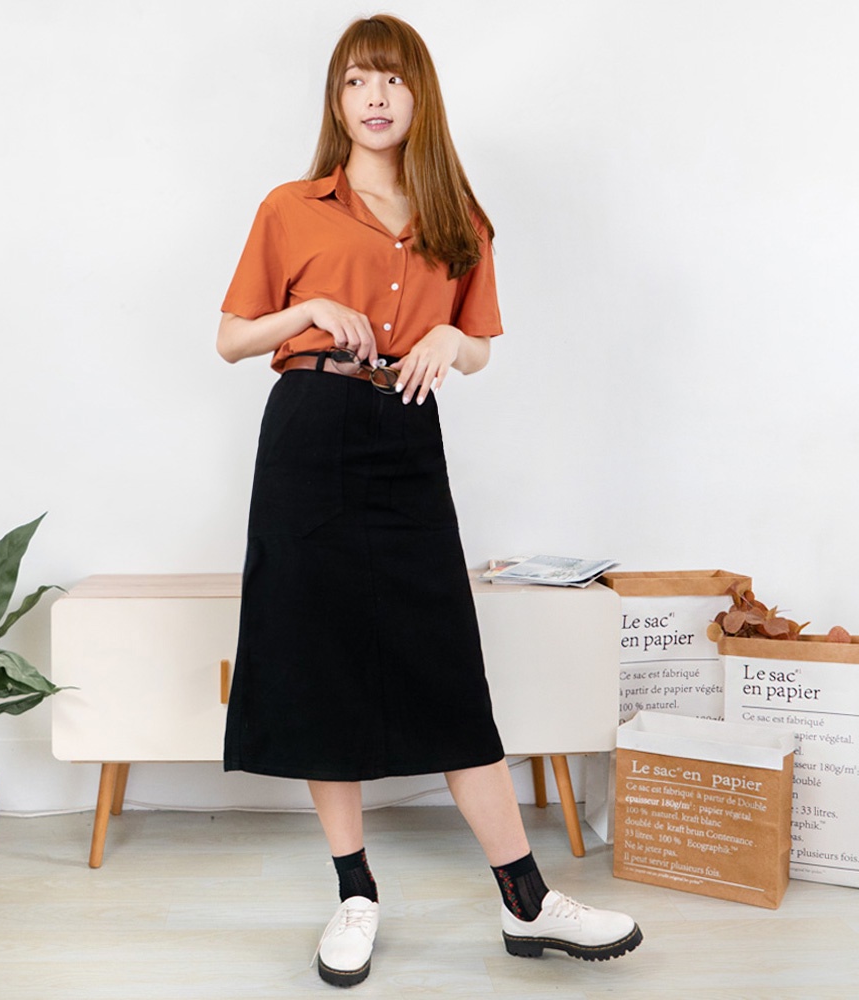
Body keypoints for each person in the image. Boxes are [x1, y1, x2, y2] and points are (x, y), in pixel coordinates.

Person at [217, 14, 642, 988]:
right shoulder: (292, 207)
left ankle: (527, 901)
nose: (374, 98)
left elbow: (478, 342)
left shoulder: (458, 215)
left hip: (406, 436)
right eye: (356, 81)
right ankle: (354, 892)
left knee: (445, 661)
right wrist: (308, 310)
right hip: (310, 432)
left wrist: (455, 342)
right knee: (320, 659)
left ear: (420, 96)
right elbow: (232, 337)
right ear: (337, 100)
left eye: (393, 80)